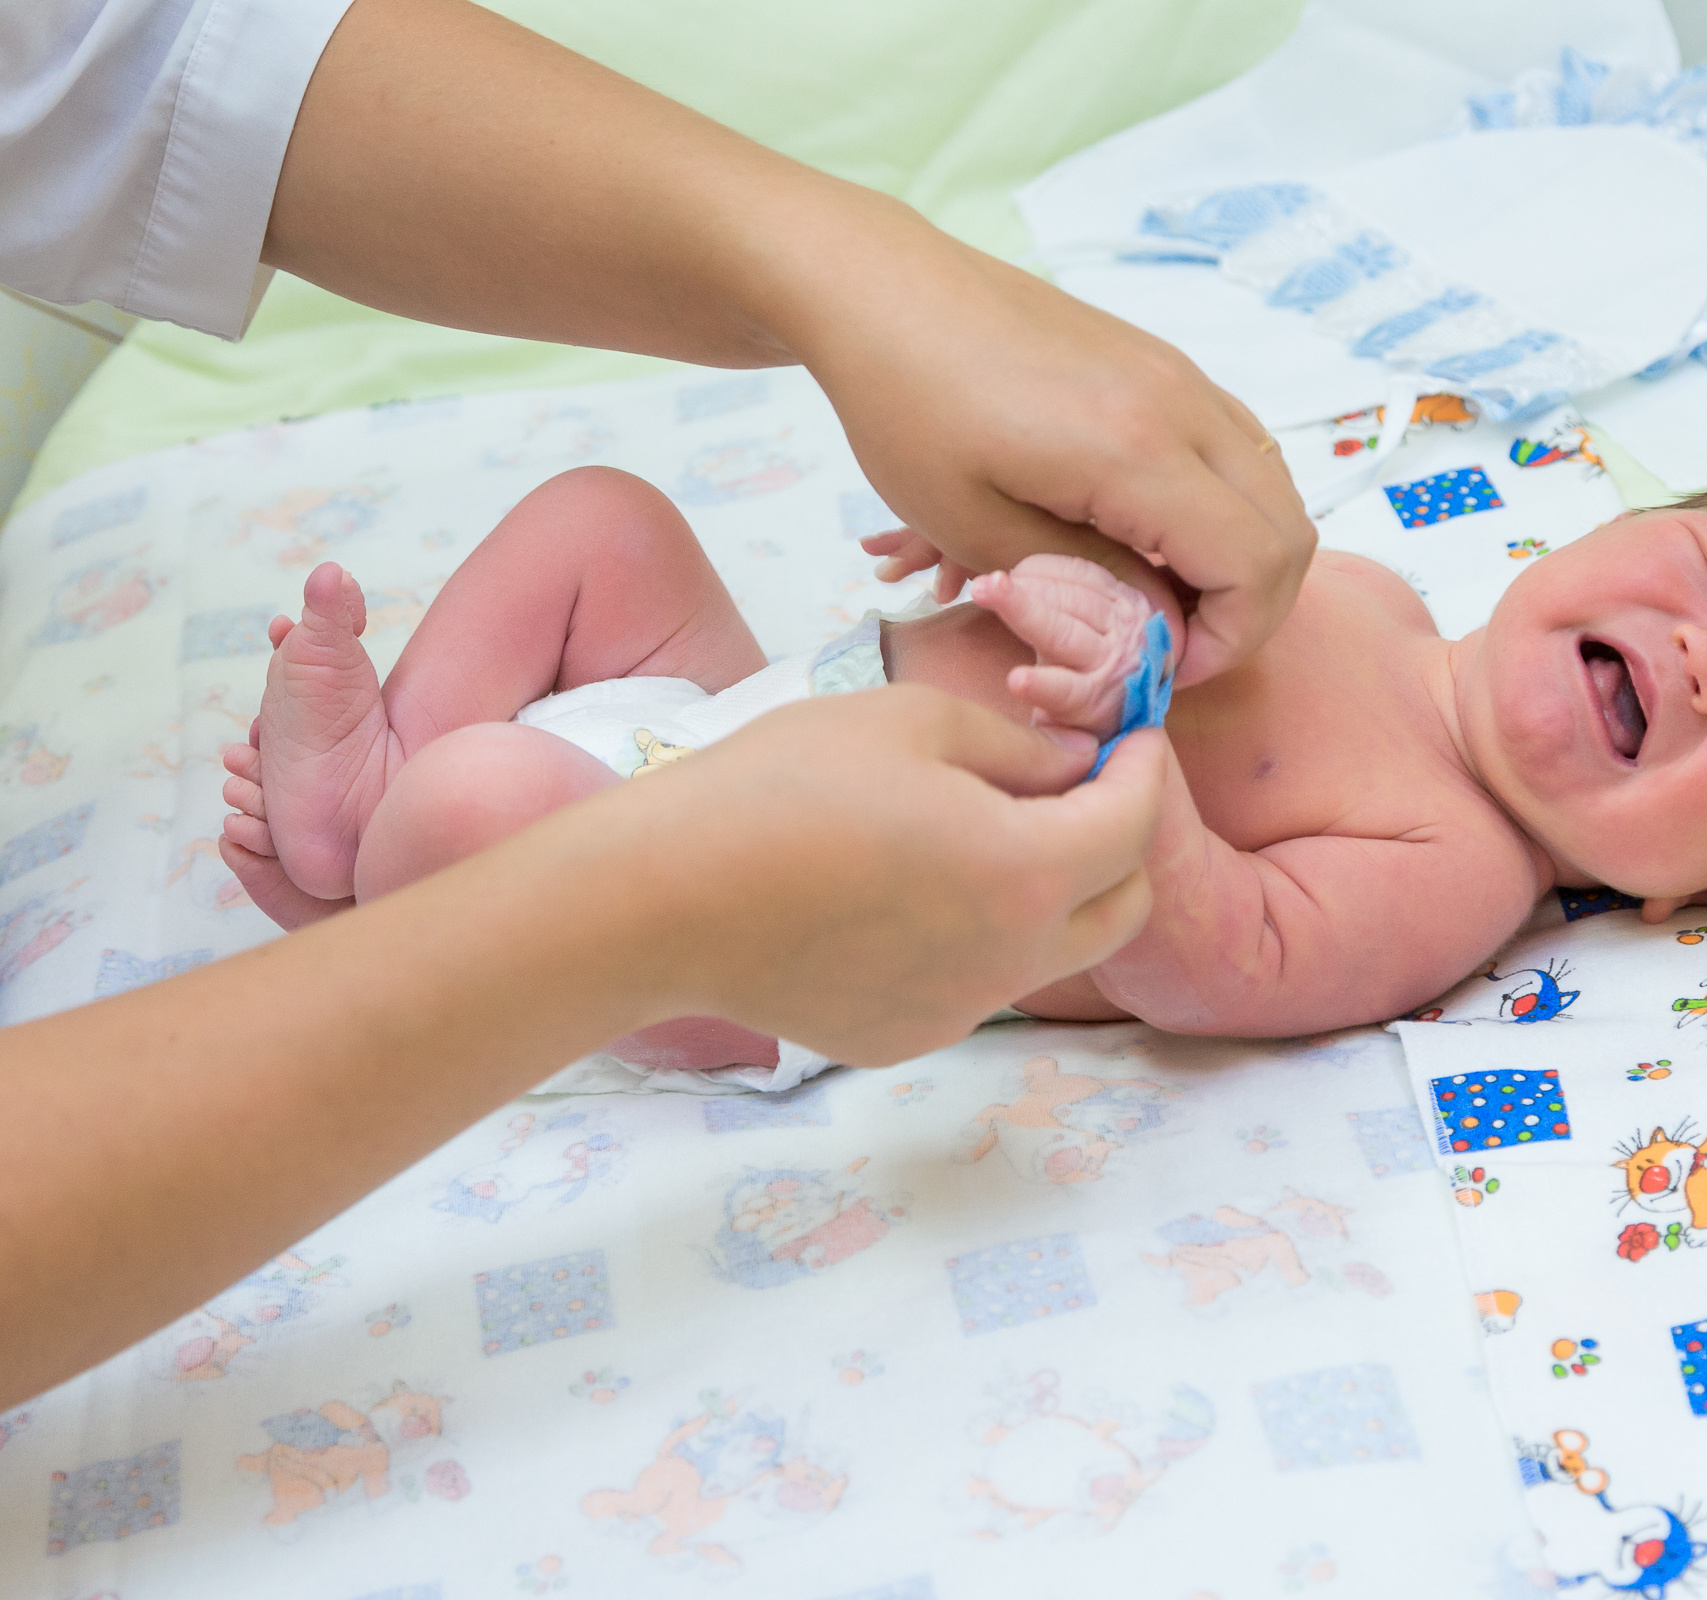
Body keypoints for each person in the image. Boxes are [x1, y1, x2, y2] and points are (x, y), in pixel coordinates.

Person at [0, 0, 1315, 1409]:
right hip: (752, 789)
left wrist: (850, 273)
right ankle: (387, 823)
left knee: (510, 738)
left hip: (788, 859)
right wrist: (1025, 590)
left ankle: (399, 815)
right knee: (600, 526)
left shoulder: (1468, 855)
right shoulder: (1399, 610)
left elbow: (1247, 967)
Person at [225, 468, 1707, 1058]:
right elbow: (1107, 577)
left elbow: (1205, 957)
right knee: (599, 525)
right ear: (1607, 533)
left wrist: (1129, 725)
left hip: (785, 937)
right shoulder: (1361, 585)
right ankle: (373, 784)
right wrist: (1014, 548)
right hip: (767, 699)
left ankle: (385, 844)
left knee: (495, 810)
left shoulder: (1457, 868)